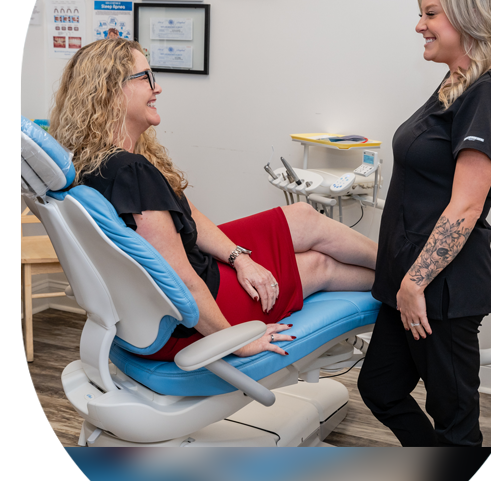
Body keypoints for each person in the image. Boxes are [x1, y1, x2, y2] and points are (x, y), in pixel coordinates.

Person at [49, 38, 378, 360]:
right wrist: (236, 342)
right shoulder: (128, 171)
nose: (157, 88)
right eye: (146, 78)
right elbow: (181, 281)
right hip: (189, 320)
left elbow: (184, 212)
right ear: (112, 90)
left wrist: (241, 259)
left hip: (172, 297)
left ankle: (401, 268)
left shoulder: (95, 161)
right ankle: (405, 284)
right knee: (319, 265)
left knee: (303, 215)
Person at [357, 0, 491, 447]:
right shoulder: (456, 84)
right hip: (410, 281)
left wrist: (415, 283)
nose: (419, 25)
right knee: (379, 387)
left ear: (468, 16)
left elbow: (464, 208)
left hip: (441, 289)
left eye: (430, 13)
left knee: (455, 421)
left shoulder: (490, 94)